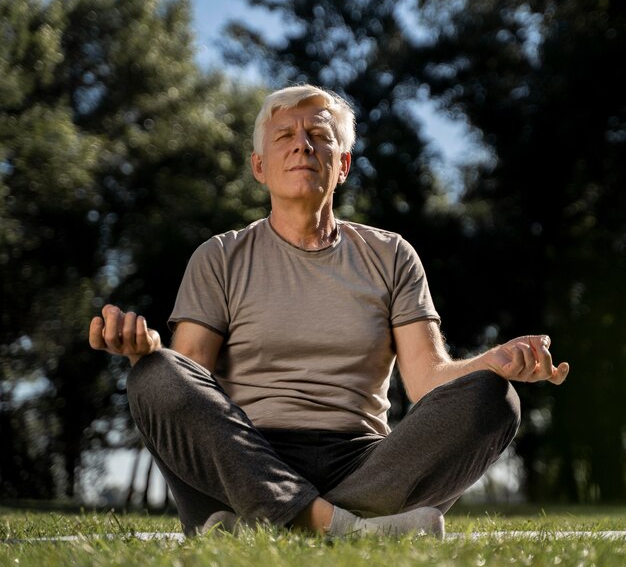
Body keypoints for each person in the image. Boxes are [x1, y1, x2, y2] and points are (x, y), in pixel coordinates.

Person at [89, 84, 569, 539]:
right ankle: (347, 528)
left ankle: (285, 521)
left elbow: (427, 380)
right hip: (245, 460)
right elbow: (191, 375)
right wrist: (149, 354)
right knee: (154, 376)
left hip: (364, 462)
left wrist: (493, 363)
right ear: (259, 166)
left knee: (494, 399)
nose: (303, 145)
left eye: (319, 136)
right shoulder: (218, 257)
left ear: (342, 164)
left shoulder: (391, 254)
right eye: (285, 136)